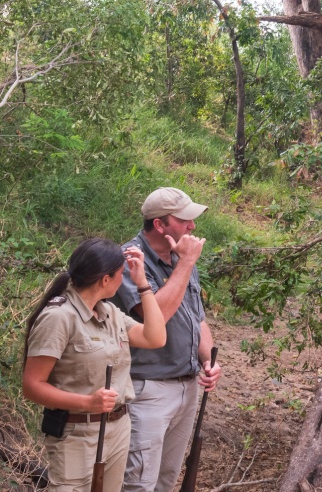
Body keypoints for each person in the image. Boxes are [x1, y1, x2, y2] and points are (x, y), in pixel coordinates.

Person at [22, 238, 169, 492]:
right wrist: (88, 403)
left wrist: (143, 285)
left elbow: (155, 337)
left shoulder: (109, 312)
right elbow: (32, 386)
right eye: (121, 274)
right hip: (77, 434)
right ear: (105, 279)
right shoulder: (58, 317)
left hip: (117, 428)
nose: (123, 279)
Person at [111, 187, 222, 492]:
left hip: (186, 386)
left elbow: (196, 318)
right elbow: (153, 317)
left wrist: (208, 361)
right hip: (147, 387)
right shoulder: (129, 260)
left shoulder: (182, 259)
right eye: (184, 219)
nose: (192, 226)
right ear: (160, 225)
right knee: (138, 481)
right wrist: (185, 264)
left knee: (166, 478)